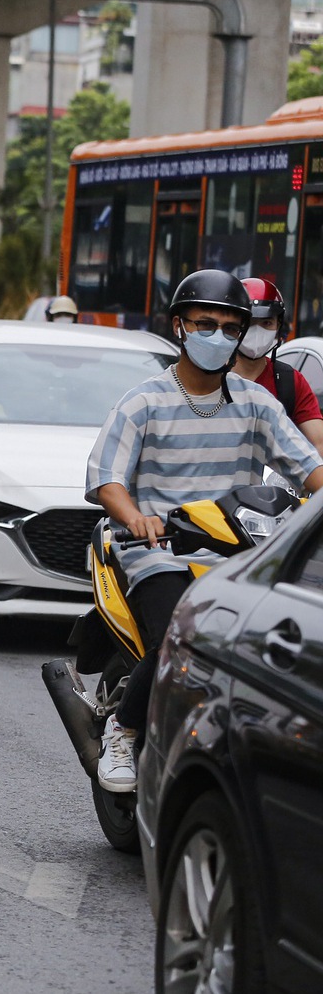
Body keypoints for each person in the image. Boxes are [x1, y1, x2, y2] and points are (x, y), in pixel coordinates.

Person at [86, 269, 323, 793]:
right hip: (157, 551)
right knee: (182, 634)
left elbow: (309, 467)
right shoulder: (141, 402)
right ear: (179, 326)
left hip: (238, 552)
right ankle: (123, 730)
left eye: (230, 327)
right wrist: (137, 518)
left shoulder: (258, 403)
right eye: (205, 324)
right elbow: (108, 481)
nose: (218, 336)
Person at [232, 277, 323, 450]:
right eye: (250, 322)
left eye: (267, 323)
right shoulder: (211, 377)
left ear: (278, 327)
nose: (258, 331)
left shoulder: (291, 382)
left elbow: (319, 443)